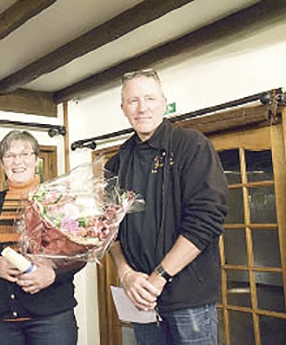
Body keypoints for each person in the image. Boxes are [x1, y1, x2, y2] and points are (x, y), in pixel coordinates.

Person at [105, 69, 228, 344]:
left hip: (188, 298)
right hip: (141, 297)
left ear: (163, 102)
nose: (142, 107)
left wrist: (159, 277)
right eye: (133, 100)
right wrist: (125, 273)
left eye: (149, 98)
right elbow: (110, 229)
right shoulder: (116, 163)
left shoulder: (191, 146)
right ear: (123, 108)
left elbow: (206, 220)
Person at [0, 130, 82, 345]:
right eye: (10, 155)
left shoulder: (57, 202)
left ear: (36, 159)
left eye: (25, 154)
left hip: (51, 319)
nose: (17, 161)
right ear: (2, 163)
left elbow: (80, 253)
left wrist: (52, 274)